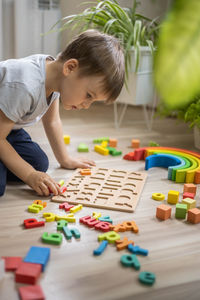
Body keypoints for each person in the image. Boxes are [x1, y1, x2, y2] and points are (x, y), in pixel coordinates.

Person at [0, 29, 125, 197]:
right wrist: (29, 175)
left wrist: (65, 159)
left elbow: (52, 121)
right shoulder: (25, 85)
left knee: (39, 163)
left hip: (6, 128)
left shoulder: (55, 78)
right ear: (70, 67)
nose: (86, 105)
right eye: (88, 95)